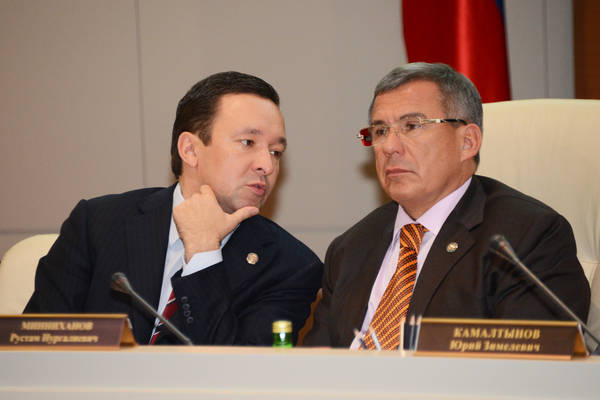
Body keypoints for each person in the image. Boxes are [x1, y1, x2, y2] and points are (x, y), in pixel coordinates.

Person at [303, 62, 590, 349]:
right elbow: (312, 366)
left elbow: (533, 366)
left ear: (468, 142)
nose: (389, 147)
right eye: (380, 131)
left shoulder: (526, 237)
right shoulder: (350, 249)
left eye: (412, 126)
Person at [25, 71, 323, 346]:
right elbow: (34, 346)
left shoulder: (291, 267)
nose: (267, 165)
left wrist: (204, 253)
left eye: (276, 151)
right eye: (248, 142)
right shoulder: (98, 224)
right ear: (190, 150)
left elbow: (234, 373)